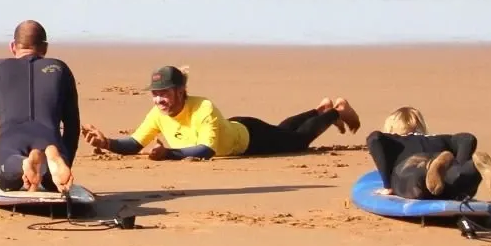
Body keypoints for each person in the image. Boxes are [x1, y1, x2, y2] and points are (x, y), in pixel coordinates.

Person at [81, 65, 359, 162]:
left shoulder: (203, 107)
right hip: (237, 127)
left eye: (164, 92)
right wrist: (108, 143)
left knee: (296, 141)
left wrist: (169, 154)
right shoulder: (157, 113)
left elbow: (206, 151)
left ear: (180, 91)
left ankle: (335, 112)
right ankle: (319, 109)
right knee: (285, 130)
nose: (159, 99)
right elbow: (134, 143)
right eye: (155, 93)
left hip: (251, 138)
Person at [0, 19, 79, 192]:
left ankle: (24, 163)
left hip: (11, 141)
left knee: (9, 179)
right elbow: (72, 126)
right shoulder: (60, 69)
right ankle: (52, 158)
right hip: (50, 140)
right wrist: (66, 159)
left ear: (13, 46)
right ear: (45, 48)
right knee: (52, 182)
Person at [366, 107, 491, 201]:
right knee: (460, 181)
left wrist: (387, 185)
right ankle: (473, 166)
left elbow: (374, 138)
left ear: (391, 127)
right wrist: (459, 163)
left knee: (414, 181)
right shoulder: (437, 138)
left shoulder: (394, 140)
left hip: (414, 163)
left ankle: (428, 167)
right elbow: (467, 138)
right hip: (442, 158)